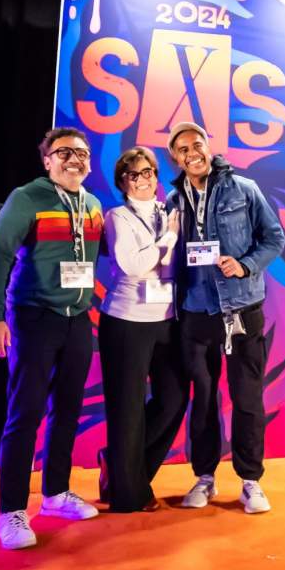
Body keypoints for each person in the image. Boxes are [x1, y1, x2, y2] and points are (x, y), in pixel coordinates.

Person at [0, 126, 103, 549]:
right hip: (33, 318)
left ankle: (54, 494)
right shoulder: (27, 198)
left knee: (67, 410)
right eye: (64, 152)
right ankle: (12, 511)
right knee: (26, 413)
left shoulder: (92, 204)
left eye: (82, 153)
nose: (75, 159)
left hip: (77, 320)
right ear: (47, 160)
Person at [166, 121, 285, 513]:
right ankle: (205, 477)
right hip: (195, 313)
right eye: (183, 149)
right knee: (202, 400)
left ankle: (251, 481)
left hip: (242, 309)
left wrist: (247, 264)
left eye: (196, 144)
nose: (192, 153)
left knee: (247, 398)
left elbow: (274, 238)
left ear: (208, 146)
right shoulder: (173, 200)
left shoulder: (244, 189)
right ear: (176, 158)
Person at [98, 146, 189, 512]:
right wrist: (168, 237)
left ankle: (121, 464)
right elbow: (133, 265)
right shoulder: (117, 216)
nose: (144, 180)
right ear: (123, 182)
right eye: (135, 175)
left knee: (173, 399)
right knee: (127, 408)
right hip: (126, 321)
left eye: (149, 172)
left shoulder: (170, 212)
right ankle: (128, 492)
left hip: (165, 318)